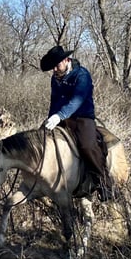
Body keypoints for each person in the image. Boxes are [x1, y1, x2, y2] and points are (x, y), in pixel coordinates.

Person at [39, 45, 115, 201]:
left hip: (82, 118)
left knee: (88, 146)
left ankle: (105, 185)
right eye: (52, 66)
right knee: (41, 139)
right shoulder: (55, 78)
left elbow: (77, 100)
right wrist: (50, 119)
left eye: (57, 65)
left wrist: (59, 116)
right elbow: (54, 102)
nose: (54, 69)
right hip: (60, 118)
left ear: (66, 60)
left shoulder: (82, 75)